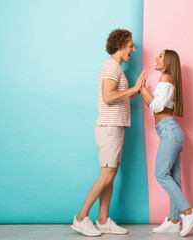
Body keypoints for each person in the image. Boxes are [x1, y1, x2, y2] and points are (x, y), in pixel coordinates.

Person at [71, 29, 146, 237]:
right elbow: (108, 97)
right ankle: (80, 218)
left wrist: (136, 91)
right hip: (108, 129)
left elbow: (117, 97)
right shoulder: (111, 66)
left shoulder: (117, 68)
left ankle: (103, 221)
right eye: (130, 45)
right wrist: (135, 88)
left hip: (114, 128)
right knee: (106, 175)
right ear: (120, 45)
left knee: (110, 176)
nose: (133, 49)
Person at [140, 50, 193, 237]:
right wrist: (142, 89)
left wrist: (141, 88)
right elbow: (155, 107)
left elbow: (157, 107)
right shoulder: (166, 79)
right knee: (174, 179)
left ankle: (188, 212)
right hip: (169, 131)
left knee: (161, 175)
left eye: (160, 56)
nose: (156, 58)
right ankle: (174, 221)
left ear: (168, 61)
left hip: (169, 131)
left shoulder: (166, 77)